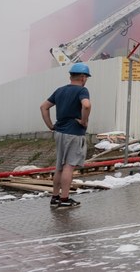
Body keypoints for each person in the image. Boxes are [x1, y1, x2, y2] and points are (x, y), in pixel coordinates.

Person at [40, 63, 92, 208]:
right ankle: (64, 199)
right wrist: (83, 120)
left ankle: (55, 197)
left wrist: (50, 125)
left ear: (71, 76)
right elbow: (86, 105)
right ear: (82, 77)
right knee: (69, 166)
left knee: (60, 167)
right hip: (74, 133)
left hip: (60, 132)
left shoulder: (60, 91)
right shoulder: (82, 91)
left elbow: (43, 107)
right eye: (86, 77)